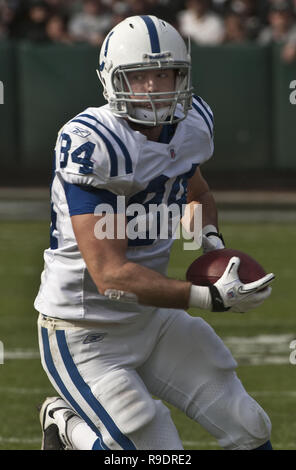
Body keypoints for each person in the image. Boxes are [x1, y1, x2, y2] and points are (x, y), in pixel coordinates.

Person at [35, 15, 275, 451]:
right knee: (156, 451)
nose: (153, 87)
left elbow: (195, 193)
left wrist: (214, 249)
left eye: (163, 73)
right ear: (112, 81)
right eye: (139, 76)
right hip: (85, 330)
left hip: (154, 318)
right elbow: (110, 274)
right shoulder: (94, 142)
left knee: (249, 425)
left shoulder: (192, 124)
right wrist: (206, 297)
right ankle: (69, 429)